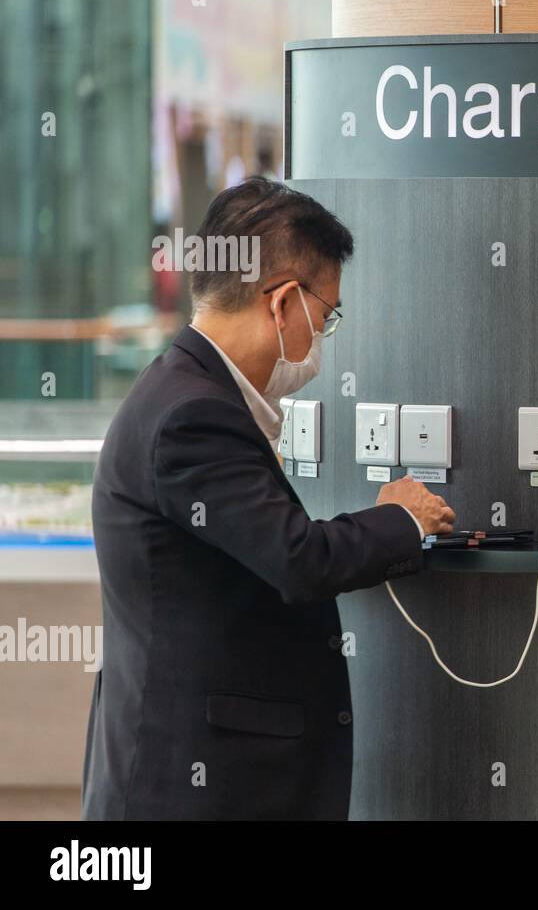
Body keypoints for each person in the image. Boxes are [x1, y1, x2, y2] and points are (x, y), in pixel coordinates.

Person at [82, 177, 455, 819]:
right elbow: (299, 558)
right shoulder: (192, 415)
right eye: (326, 315)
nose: (321, 340)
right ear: (282, 303)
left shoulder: (180, 389)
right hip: (192, 786)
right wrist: (402, 518)